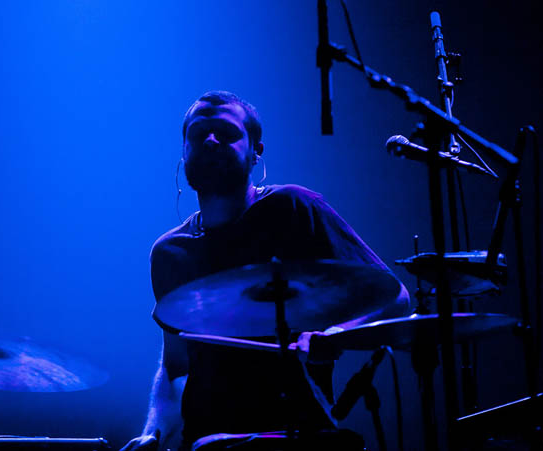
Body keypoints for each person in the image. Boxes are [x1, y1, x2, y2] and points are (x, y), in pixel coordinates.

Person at [121, 91, 410, 451]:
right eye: (198, 134)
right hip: (206, 442)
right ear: (184, 152)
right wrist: (154, 432)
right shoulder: (170, 253)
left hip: (295, 436)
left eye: (226, 133)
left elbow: (396, 299)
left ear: (257, 151)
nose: (210, 140)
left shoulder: (295, 208)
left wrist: (336, 335)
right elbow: (176, 365)